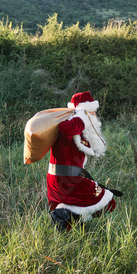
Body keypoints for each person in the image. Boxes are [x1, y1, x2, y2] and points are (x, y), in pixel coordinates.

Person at [47, 91, 117, 231]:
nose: (94, 116)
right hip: (66, 181)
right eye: (92, 112)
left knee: (69, 228)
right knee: (109, 201)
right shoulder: (71, 124)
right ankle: (63, 213)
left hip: (62, 180)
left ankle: (63, 216)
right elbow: (65, 130)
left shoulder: (79, 130)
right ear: (84, 112)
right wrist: (82, 117)